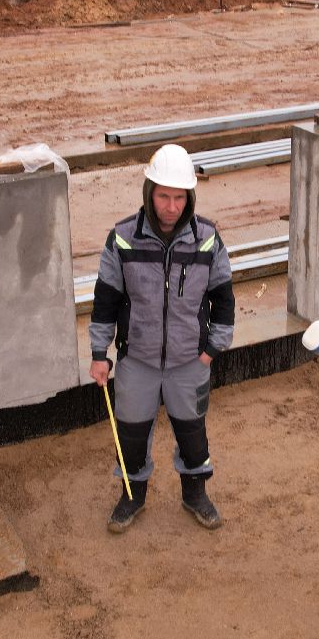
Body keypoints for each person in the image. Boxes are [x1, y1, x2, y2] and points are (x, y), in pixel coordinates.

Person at [89, 143, 235, 533]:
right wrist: (99, 353)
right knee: (131, 434)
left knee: (192, 433)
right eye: (163, 196)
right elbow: (106, 299)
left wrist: (212, 350)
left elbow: (223, 297)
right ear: (149, 192)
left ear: (189, 197)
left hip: (190, 362)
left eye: (179, 197)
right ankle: (132, 496)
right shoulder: (122, 240)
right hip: (137, 360)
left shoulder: (206, 239)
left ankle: (195, 494)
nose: (171, 206)